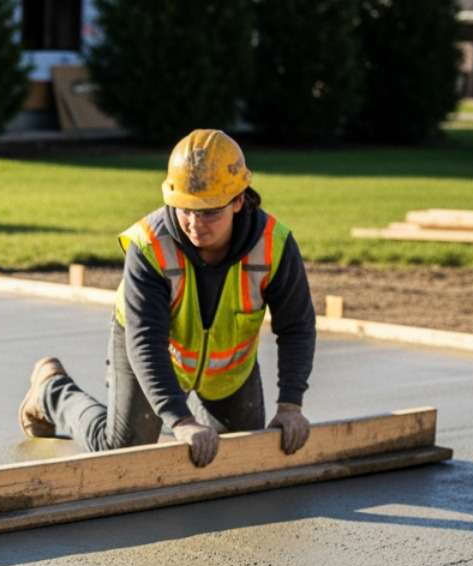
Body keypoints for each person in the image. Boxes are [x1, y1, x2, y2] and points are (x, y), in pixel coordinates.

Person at [18, 129, 316, 469]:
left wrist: (291, 406)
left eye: (208, 212)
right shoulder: (150, 246)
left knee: (235, 459)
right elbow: (145, 342)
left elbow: (297, 327)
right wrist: (181, 421)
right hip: (152, 353)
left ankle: (195, 412)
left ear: (238, 201)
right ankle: (52, 391)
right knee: (123, 451)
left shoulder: (274, 245)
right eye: (185, 209)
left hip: (228, 370)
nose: (194, 223)